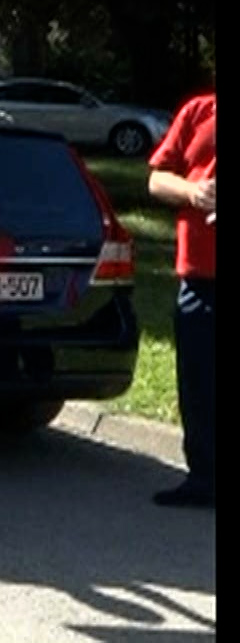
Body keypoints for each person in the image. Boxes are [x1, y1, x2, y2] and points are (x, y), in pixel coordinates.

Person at [146, 90, 215, 508]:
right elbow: (156, 179)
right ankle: (204, 478)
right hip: (200, 276)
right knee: (199, 383)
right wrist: (192, 192)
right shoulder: (198, 110)